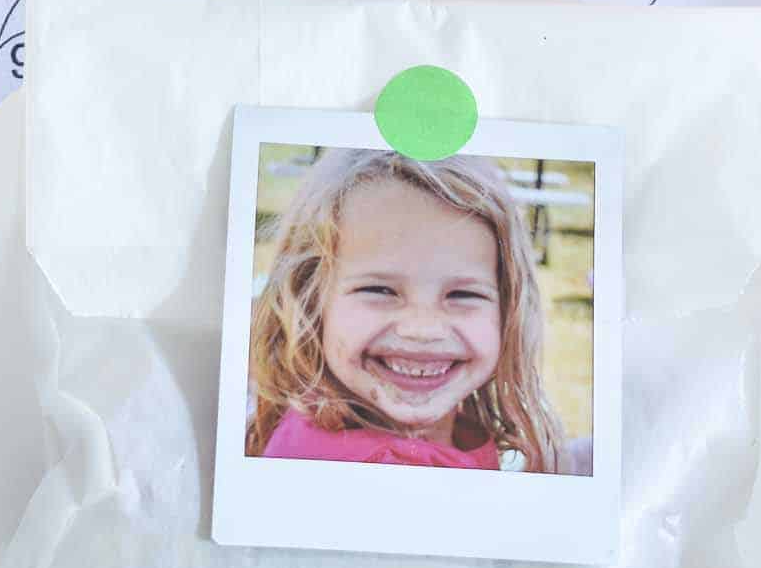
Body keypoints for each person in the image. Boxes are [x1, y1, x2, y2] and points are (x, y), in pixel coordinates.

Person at [247, 146, 588, 473]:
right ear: (310, 299)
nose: (423, 329)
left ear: (507, 307)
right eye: (379, 290)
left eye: (462, 294)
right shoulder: (367, 471)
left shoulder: (439, 434)